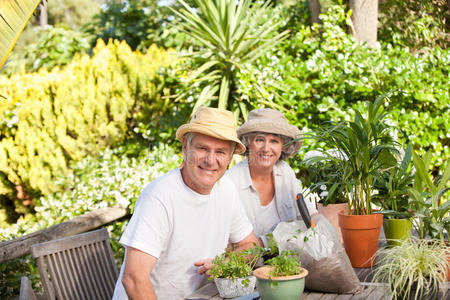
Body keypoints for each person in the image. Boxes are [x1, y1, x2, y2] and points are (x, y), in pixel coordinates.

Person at [112, 107, 260, 300]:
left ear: (230, 158)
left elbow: (251, 245)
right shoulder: (159, 197)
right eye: (202, 148)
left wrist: (224, 264)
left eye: (221, 152)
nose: (210, 160)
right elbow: (133, 279)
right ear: (185, 147)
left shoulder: (226, 190)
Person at [227, 108, 317, 246]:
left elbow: (308, 215)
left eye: (274, 141)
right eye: (259, 140)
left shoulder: (285, 172)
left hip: (291, 261)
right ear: (247, 143)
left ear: (283, 146)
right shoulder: (231, 181)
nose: (266, 148)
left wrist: (324, 233)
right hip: (248, 263)